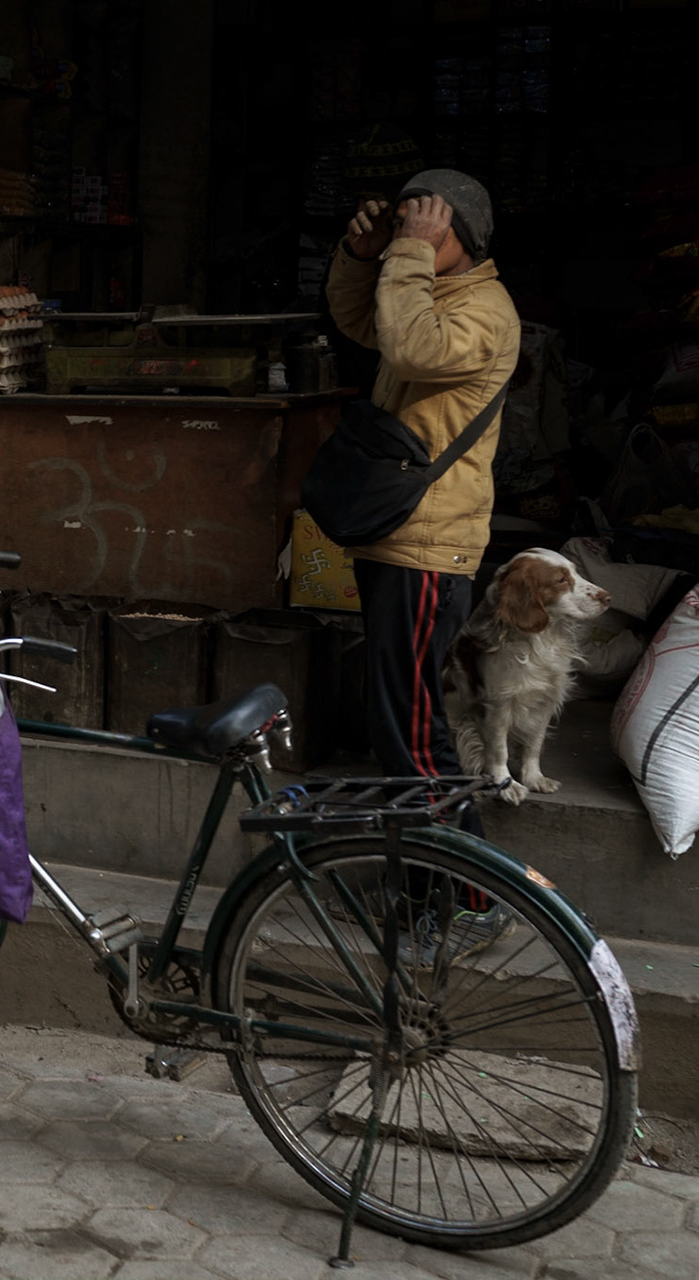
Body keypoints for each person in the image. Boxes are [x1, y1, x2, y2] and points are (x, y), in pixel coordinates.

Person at [324, 170, 520, 956]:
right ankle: (420, 880)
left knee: (417, 735)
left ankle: (472, 899)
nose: (410, 237)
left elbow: (408, 342)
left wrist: (403, 254)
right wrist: (360, 252)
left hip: (429, 550)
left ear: (459, 238)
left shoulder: (482, 310)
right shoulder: (425, 293)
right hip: (402, 540)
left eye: (425, 226)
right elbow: (357, 319)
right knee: (399, 727)